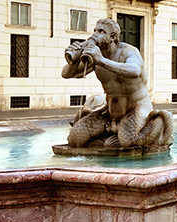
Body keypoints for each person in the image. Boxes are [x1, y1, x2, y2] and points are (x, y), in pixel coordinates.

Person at [62, 18, 156, 148]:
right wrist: (74, 62)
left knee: (128, 142)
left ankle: (153, 126)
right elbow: (66, 74)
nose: (95, 34)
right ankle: (110, 137)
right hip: (109, 113)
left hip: (136, 107)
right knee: (75, 138)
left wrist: (101, 61)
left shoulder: (128, 51)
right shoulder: (95, 55)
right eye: (95, 30)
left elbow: (134, 70)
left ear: (112, 37)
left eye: (101, 31)